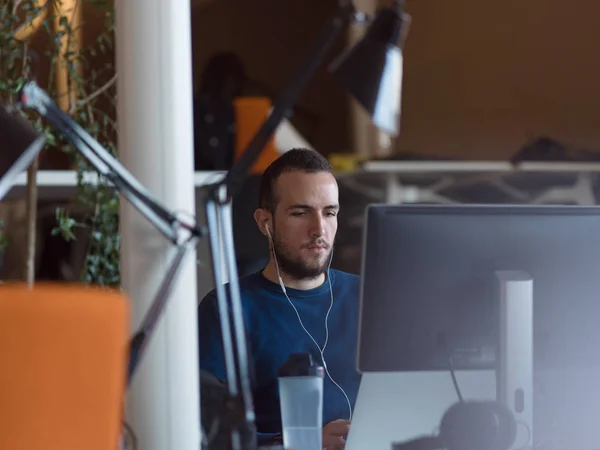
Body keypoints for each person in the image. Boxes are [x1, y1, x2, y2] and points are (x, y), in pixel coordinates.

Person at [198, 148, 362, 449]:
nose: (318, 229)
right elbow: (204, 430)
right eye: (300, 213)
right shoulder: (227, 309)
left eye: (329, 213)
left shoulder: (369, 299)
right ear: (265, 223)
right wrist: (301, 442)